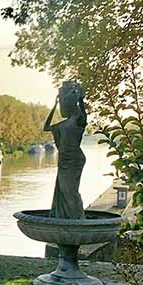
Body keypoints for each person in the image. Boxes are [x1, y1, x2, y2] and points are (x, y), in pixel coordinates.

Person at [44, 81, 87, 219]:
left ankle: (78, 219)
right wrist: (55, 104)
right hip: (63, 160)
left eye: (64, 104)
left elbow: (84, 113)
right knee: (63, 191)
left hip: (74, 159)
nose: (62, 107)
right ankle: (66, 217)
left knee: (70, 191)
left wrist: (80, 99)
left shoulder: (78, 120)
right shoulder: (63, 124)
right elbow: (46, 127)